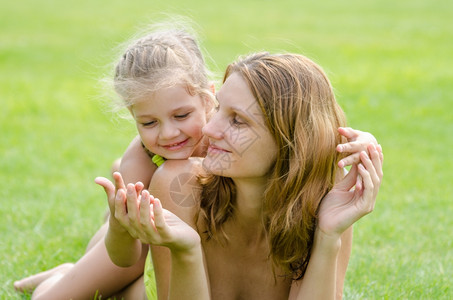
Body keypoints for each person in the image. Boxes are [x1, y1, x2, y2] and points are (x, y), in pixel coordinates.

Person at [101, 52, 383, 299]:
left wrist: (328, 234)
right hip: (138, 269)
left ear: (291, 140)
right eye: (219, 109)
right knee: (96, 282)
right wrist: (187, 250)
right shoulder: (179, 183)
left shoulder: (327, 199)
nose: (210, 131)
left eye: (237, 120)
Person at [14, 24, 217, 299]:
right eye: (148, 122)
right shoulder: (140, 158)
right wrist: (121, 225)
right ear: (132, 114)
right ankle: (61, 276)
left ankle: (74, 272)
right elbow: (124, 259)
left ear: (209, 98)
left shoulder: (224, 141)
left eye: (181, 116)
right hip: (131, 252)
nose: (168, 133)